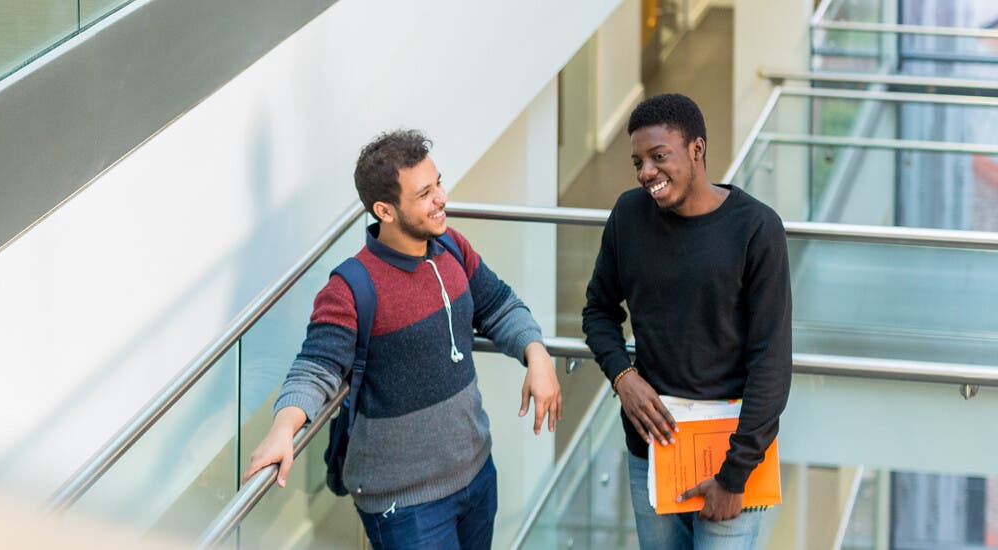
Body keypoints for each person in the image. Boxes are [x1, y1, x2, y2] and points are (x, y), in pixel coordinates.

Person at [245, 129, 562, 549]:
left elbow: (500, 305)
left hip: (477, 474)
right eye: (425, 193)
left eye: (438, 183)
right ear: (385, 210)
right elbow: (315, 368)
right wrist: (284, 427)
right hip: (405, 508)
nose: (442, 198)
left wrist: (537, 355)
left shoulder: (452, 247)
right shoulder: (350, 287)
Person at [582, 93, 792, 548]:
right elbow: (598, 311)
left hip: (732, 456)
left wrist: (735, 476)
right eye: (638, 162)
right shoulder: (628, 215)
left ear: (697, 149)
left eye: (659, 157)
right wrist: (623, 377)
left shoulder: (757, 229)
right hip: (652, 451)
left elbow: (771, 365)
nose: (646, 173)